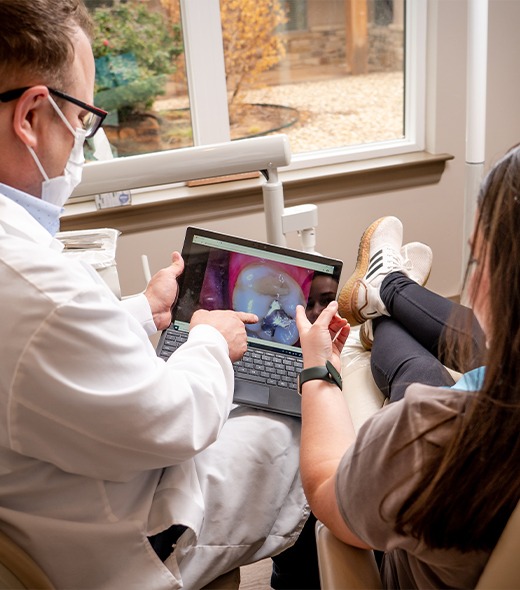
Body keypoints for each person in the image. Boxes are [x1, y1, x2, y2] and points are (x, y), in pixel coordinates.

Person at [0, 1, 310, 588]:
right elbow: (176, 420)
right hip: (122, 537)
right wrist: (208, 342)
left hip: (44, 502)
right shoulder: (41, 290)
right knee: (307, 426)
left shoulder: (29, 281)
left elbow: (41, 358)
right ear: (33, 114)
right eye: (84, 119)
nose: (82, 144)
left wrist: (143, 311)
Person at [296, 146, 520, 589]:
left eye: (477, 259)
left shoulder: (431, 434)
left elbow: (325, 487)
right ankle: (389, 290)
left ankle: (388, 295)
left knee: (416, 371)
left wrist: (318, 368)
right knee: (459, 351)